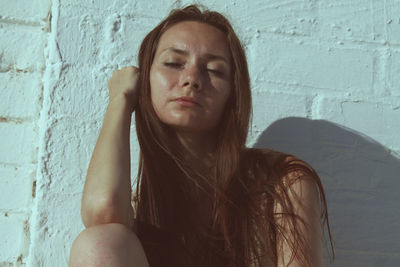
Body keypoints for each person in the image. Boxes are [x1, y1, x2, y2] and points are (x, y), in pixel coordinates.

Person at [69, 4, 334, 267]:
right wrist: (121, 100)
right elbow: (103, 210)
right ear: (146, 81)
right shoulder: (139, 208)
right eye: (173, 63)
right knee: (99, 245)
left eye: (214, 70)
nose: (192, 79)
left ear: (233, 93)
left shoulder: (281, 182)